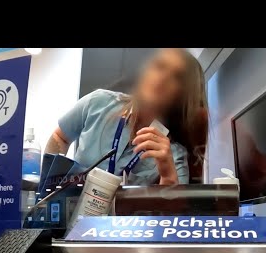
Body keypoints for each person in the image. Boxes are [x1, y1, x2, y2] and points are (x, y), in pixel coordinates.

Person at [45, 48, 208, 185]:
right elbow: (60, 136)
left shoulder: (174, 156)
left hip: (127, 223)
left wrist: (167, 176)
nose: (163, 78)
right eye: (159, 66)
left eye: (176, 77)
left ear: (183, 96)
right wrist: (48, 185)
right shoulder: (97, 102)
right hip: (74, 219)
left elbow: (171, 217)